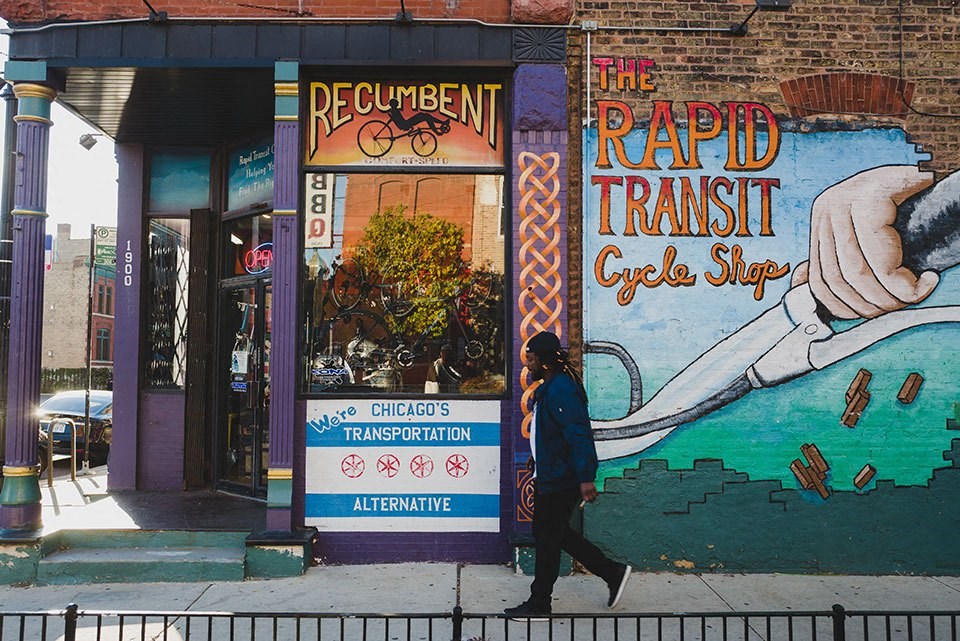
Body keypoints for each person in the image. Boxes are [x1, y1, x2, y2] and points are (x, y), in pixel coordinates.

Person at [504, 331, 632, 620]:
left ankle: (539, 604)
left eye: (532, 359)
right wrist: (536, 460)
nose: (529, 365)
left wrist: (586, 477)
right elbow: (550, 433)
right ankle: (612, 573)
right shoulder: (550, 387)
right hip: (550, 474)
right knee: (552, 533)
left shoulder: (561, 389)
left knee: (548, 540)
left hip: (562, 480)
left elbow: (578, 435)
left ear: (545, 362)